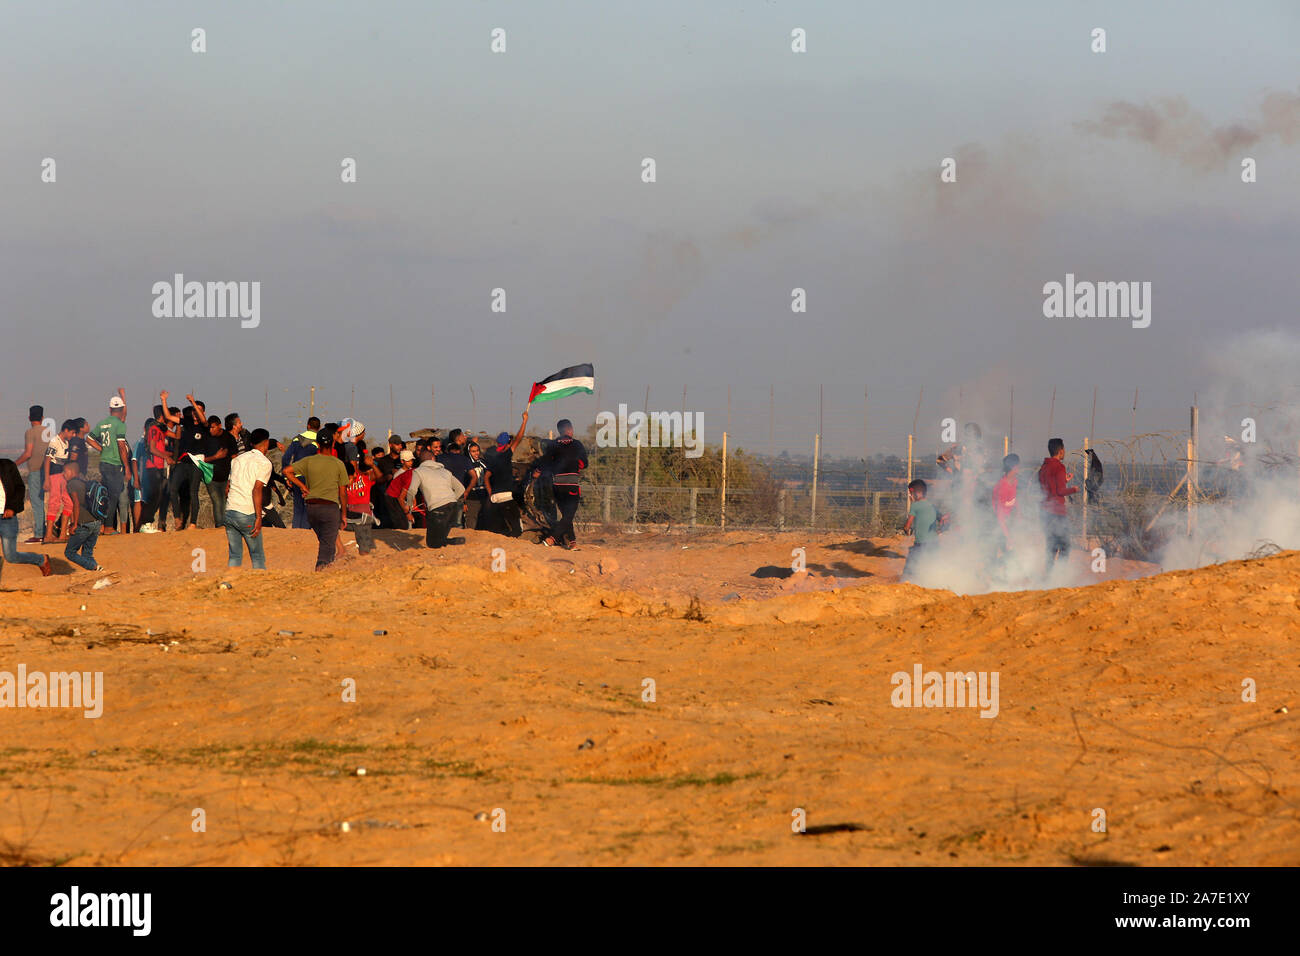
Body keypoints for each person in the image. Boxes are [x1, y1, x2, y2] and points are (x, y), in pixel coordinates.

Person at [283, 433, 349, 571]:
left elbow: (286, 471)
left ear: (318, 444)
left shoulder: (309, 461)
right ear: (332, 445)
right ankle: (321, 569)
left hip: (311, 508)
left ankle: (331, 561)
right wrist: (343, 514)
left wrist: (303, 486)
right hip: (329, 507)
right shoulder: (338, 464)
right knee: (327, 544)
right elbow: (342, 492)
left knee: (325, 540)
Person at [533, 418, 587, 549]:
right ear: (570, 429)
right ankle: (551, 539)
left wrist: (538, 471)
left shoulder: (553, 444)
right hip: (571, 484)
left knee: (566, 516)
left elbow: (545, 461)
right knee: (568, 516)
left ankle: (572, 543)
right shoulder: (577, 444)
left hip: (557, 485)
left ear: (560, 431)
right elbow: (584, 463)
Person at [224, 428, 274, 569]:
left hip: (230, 510)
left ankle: (229, 585)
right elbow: (257, 489)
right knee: (257, 555)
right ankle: (260, 587)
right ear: (266, 443)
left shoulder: (237, 460)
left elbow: (227, 488)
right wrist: (259, 517)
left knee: (234, 555)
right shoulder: (264, 463)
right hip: (246, 512)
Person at [0, 457, 52, 581]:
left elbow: (20, 488)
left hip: (7, 518)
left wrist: (12, 508)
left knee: (11, 556)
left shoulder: (7, 466)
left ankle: (40, 559)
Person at [406, 446, 466, 549]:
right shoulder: (445, 472)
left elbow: (412, 490)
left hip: (436, 509)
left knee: (432, 543)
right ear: (433, 459)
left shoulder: (418, 472)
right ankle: (446, 540)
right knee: (440, 535)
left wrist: (409, 505)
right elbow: (461, 489)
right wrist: (451, 500)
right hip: (453, 506)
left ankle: (446, 541)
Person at [91, 390, 132, 534]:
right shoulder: (120, 424)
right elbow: (122, 447)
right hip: (115, 464)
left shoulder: (103, 423)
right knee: (114, 496)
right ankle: (108, 527)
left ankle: (102, 526)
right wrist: (127, 467)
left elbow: (89, 438)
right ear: (120, 410)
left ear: (110, 409)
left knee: (105, 494)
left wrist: (102, 449)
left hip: (103, 463)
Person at [1038, 438, 1079, 572]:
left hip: (1045, 512)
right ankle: (1059, 574)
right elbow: (1060, 491)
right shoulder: (1059, 467)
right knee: (1065, 546)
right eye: (1064, 449)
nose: (1064, 452)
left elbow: (1050, 488)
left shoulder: (1044, 467)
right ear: (1060, 451)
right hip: (1057, 513)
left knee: (1052, 546)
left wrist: (1064, 480)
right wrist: (1074, 489)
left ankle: (1048, 574)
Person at [485, 410, 529, 537]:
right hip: (506, 497)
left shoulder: (494, 458)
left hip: (495, 498)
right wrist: (525, 420)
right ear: (507, 444)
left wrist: (490, 493)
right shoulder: (506, 454)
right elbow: (519, 438)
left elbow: (486, 477)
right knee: (516, 529)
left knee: (501, 528)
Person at [169, 399, 209, 530]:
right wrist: (164, 401)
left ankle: (193, 523)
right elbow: (169, 417)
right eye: (193, 410)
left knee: (193, 492)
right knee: (173, 488)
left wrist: (192, 402)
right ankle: (177, 519)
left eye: (198, 409)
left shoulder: (204, 426)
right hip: (183, 462)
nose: (195, 412)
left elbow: (203, 420)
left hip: (196, 463)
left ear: (203, 412)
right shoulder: (188, 423)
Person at [61, 460, 106, 572]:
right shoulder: (85, 482)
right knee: (87, 553)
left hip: (84, 523)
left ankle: (93, 567)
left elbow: (76, 504)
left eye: (65, 471)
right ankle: (97, 570)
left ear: (71, 472)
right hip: (96, 523)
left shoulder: (71, 484)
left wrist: (74, 524)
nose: (63, 474)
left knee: (70, 552)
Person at [15, 405, 49, 543]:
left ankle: (40, 534)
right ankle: (46, 531)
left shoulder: (30, 432)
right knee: (47, 502)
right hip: (48, 470)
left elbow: (28, 453)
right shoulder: (48, 432)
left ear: (29, 418)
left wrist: (14, 464)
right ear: (42, 417)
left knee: (37, 503)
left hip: (35, 470)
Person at [281, 417, 321, 529]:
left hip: (296, 478)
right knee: (309, 507)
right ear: (319, 427)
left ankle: (295, 533)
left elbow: (286, 458)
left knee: (298, 507)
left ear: (308, 425)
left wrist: (286, 478)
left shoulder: (297, 439)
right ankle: (304, 534)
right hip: (312, 478)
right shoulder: (319, 441)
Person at [42, 420, 77, 543]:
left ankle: (62, 534)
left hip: (63, 476)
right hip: (54, 475)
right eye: (72, 433)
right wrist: (47, 478)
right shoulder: (54, 441)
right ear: (66, 430)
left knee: (69, 503)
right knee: (54, 503)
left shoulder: (66, 443)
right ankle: (48, 535)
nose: (73, 435)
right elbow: (47, 460)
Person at [901, 478, 939, 583]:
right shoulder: (932, 505)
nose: (910, 496)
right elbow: (942, 518)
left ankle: (905, 581)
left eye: (910, 493)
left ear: (917, 493)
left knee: (911, 562)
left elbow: (907, 526)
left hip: (921, 543)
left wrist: (906, 529)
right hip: (935, 542)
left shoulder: (915, 505)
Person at [203, 415, 237, 525]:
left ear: (220, 426)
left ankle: (225, 525)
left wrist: (231, 478)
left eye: (213, 427)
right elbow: (200, 459)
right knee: (217, 501)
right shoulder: (206, 438)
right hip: (210, 476)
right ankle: (220, 526)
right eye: (209, 428)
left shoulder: (229, 438)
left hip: (225, 477)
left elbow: (234, 458)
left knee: (225, 501)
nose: (210, 430)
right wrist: (215, 457)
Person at [343, 454, 381, 556]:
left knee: (364, 541)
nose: (353, 464)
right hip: (349, 513)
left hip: (364, 513)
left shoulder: (364, 477)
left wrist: (372, 465)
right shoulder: (342, 479)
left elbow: (379, 476)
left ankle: (365, 555)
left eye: (355, 462)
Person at [992, 453, 1020, 556]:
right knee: (1005, 556)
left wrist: (1018, 515)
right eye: (1018, 466)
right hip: (997, 525)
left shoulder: (1014, 481)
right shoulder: (1002, 487)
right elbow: (1000, 518)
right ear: (1014, 467)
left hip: (1006, 524)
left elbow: (1014, 500)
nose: (1019, 468)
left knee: (1009, 555)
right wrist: (1008, 537)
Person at [385, 450, 417, 529]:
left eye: (411, 460)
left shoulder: (411, 471)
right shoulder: (398, 474)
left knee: (407, 522)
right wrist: (407, 512)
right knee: (401, 522)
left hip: (402, 498)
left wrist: (413, 501)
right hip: (395, 498)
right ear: (402, 461)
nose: (411, 462)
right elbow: (400, 497)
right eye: (408, 461)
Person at [464, 442, 491, 530]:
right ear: (468, 452)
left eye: (477, 451)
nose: (476, 453)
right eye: (473, 451)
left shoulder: (483, 463)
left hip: (484, 496)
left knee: (484, 522)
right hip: (471, 498)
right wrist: (463, 501)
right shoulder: (466, 463)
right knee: (471, 521)